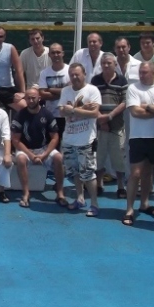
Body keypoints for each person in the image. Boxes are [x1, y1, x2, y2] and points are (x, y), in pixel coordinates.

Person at [121, 62, 154, 226]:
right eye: (140, 72)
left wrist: (148, 106)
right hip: (137, 137)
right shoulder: (133, 88)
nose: (142, 75)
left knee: (148, 172)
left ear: (153, 73)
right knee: (135, 173)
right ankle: (129, 209)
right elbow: (135, 112)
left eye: (145, 72)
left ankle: (144, 203)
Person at [57, 64, 102, 216]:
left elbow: (94, 113)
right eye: (72, 75)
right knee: (74, 172)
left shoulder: (92, 90)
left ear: (84, 74)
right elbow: (61, 112)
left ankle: (94, 204)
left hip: (86, 141)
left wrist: (73, 110)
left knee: (88, 174)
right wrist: (83, 110)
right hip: (69, 140)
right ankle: (80, 198)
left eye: (77, 74)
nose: (74, 77)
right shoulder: (65, 91)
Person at [11, 87, 64, 208]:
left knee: (58, 158)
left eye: (33, 98)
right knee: (21, 159)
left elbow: (55, 137)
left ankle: (60, 193)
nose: (31, 100)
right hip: (26, 149)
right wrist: (31, 155)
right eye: (28, 98)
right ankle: (26, 193)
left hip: (44, 148)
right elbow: (16, 140)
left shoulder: (47, 114)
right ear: (25, 99)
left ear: (39, 98)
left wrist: (45, 154)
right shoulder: (20, 115)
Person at [91, 53, 129, 196]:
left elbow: (124, 102)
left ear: (115, 64)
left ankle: (121, 186)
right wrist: (101, 119)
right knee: (99, 158)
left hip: (117, 127)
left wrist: (109, 116)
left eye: (109, 63)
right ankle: (99, 184)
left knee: (118, 158)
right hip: (99, 127)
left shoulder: (122, 80)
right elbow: (92, 101)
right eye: (103, 63)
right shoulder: (95, 80)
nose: (106, 65)